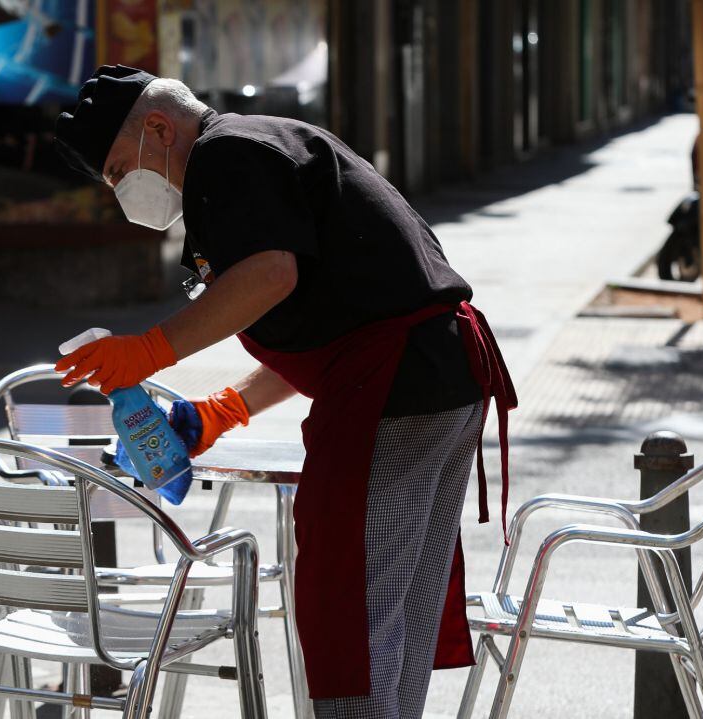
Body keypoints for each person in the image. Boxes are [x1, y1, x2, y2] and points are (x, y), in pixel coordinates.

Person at [54, 65, 516, 719]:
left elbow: (271, 276)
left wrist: (151, 348)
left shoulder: (225, 155)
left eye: (119, 171)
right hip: (436, 377)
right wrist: (225, 409)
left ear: (159, 128)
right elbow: (334, 319)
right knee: (396, 604)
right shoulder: (256, 149)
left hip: (400, 385)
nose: (123, 192)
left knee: (350, 598)